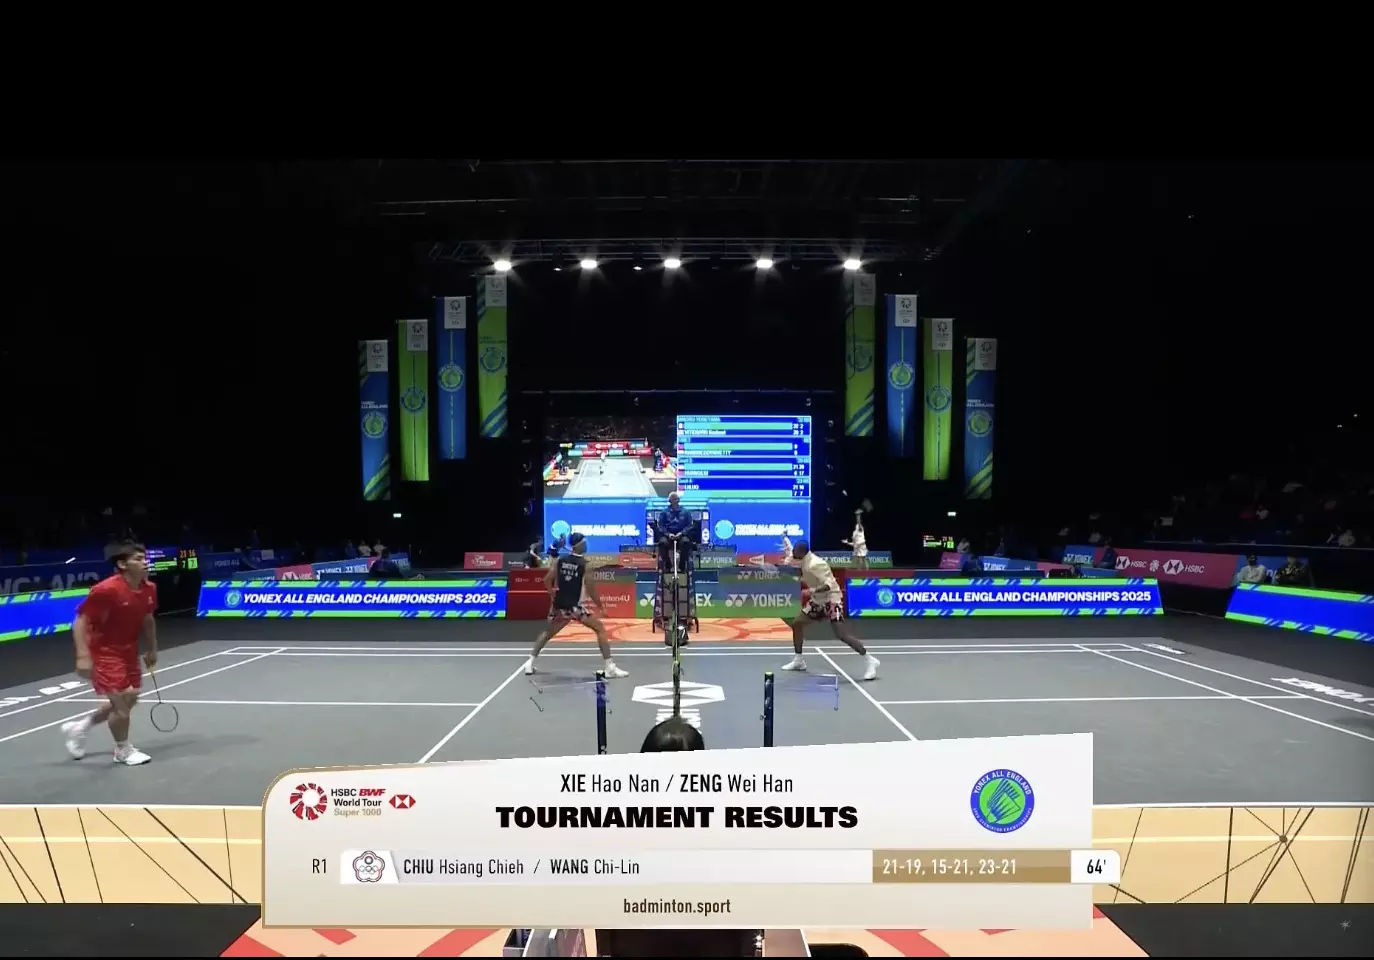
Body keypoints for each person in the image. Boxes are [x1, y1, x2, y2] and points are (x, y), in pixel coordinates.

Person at [61, 542, 158, 765]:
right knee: (122, 703)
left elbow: (148, 619)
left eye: (145, 558)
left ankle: (80, 727)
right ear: (122, 564)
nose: (145, 563)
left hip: (129, 650)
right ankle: (123, 750)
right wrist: (83, 656)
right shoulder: (106, 590)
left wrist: (152, 648)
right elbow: (81, 621)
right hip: (103, 652)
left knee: (129, 699)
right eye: (138, 559)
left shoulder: (149, 588)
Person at [525, 533, 627, 679]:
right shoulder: (586, 565)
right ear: (579, 545)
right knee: (600, 628)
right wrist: (601, 607)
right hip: (575, 608)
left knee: (548, 632)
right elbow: (591, 589)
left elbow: (547, 580)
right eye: (585, 542)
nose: (587, 545)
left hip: (561, 605)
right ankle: (610, 668)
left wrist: (553, 596)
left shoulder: (561, 560)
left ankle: (529, 663)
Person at [781, 540, 878, 681]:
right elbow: (794, 561)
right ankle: (799, 660)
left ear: (801, 552)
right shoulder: (803, 558)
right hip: (818, 601)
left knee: (842, 635)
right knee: (797, 623)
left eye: (795, 551)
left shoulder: (816, 564)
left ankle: (870, 660)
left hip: (832, 599)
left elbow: (828, 585)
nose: (793, 553)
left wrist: (810, 591)